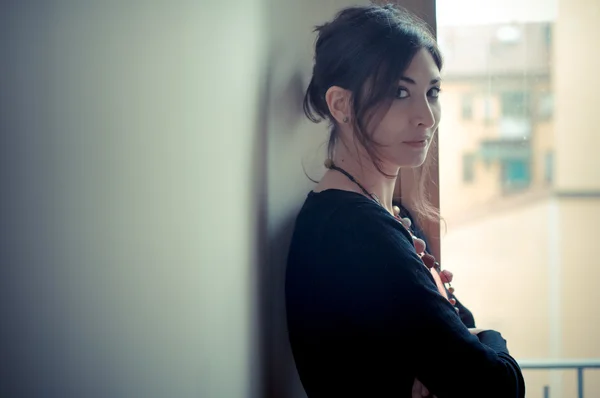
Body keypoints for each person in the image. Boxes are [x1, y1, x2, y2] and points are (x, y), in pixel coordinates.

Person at [285, 4, 525, 397]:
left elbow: (458, 330)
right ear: (341, 105)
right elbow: (495, 387)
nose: (427, 117)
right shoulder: (355, 232)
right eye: (399, 92)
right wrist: (491, 337)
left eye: (432, 92)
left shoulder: (392, 216)